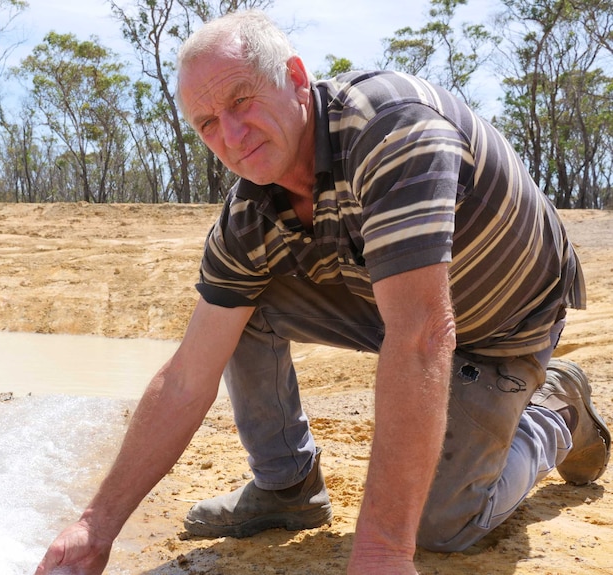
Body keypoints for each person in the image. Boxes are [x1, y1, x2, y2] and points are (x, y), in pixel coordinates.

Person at [35, 10, 610, 575]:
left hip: (502, 322)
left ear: (295, 76)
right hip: (394, 302)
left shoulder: (390, 130)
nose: (231, 135)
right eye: (207, 123)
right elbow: (189, 375)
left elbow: (421, 337)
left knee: (441, 526)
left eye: (241, 100)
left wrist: (383, 552)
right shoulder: (247, 218)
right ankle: (286, 486)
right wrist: (95, 526)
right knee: (237, 307)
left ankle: (555, 410)